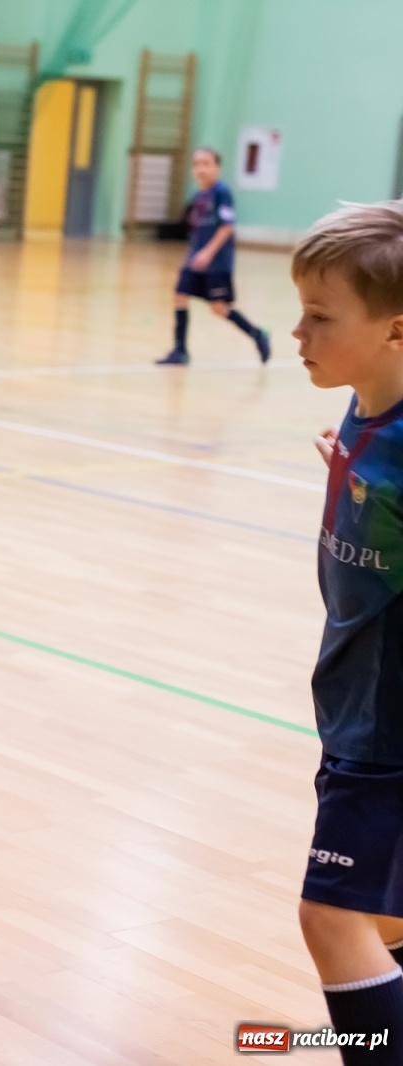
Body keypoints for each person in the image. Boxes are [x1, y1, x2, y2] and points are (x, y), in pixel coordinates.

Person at [299, 199, 403, 1065]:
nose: (299, 333)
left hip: (388, 732)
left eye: (321, 317)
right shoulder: (368, 415)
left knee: (333, 918)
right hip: (357, 710)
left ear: (395, 329)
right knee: (389, 916)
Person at [157, 147, 271, 366]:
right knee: (180, 296)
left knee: (218, 308)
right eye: (197, 164)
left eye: (206, 163)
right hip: (194, 260)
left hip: (216, 263)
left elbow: (227, 227)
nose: (201, 169)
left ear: (217, 167)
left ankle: (257, 334)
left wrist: (207, 253)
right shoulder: (198, 196)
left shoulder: (221, 192)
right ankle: (180, 351)